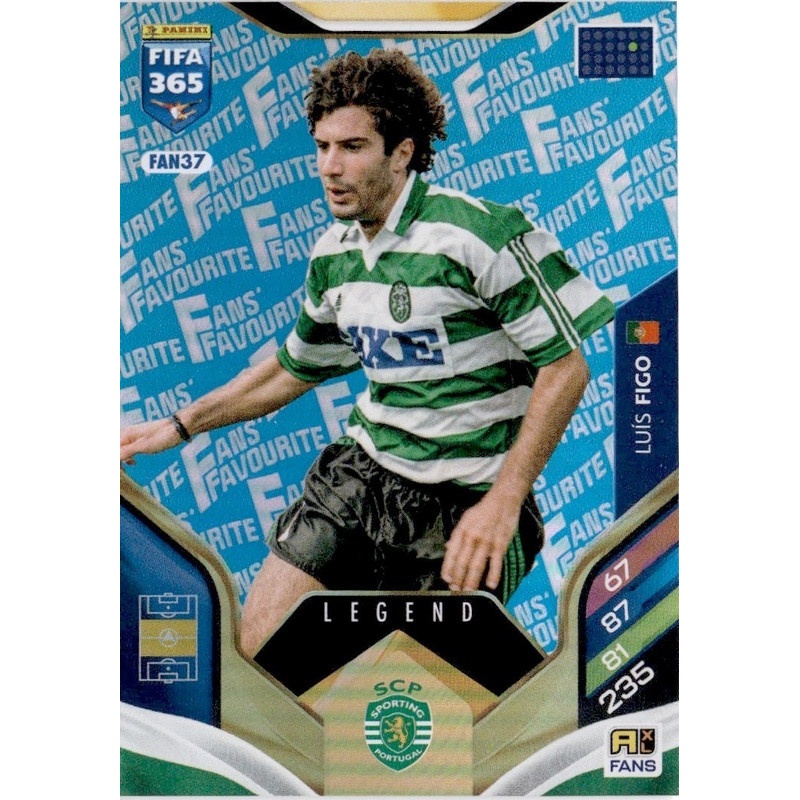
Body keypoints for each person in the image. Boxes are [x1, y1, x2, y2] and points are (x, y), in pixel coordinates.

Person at [120, 49, 615, 657]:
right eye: (322, 147)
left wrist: (503, 502)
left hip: (468, 499)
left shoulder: (478, 235)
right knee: (257, 654)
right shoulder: (334, 255)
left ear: (402, 152)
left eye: (352, 147)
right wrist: (180, 424)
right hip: (362, 477)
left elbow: (566, 368)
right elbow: (292, 369)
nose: (330, 167)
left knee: (416, 687)